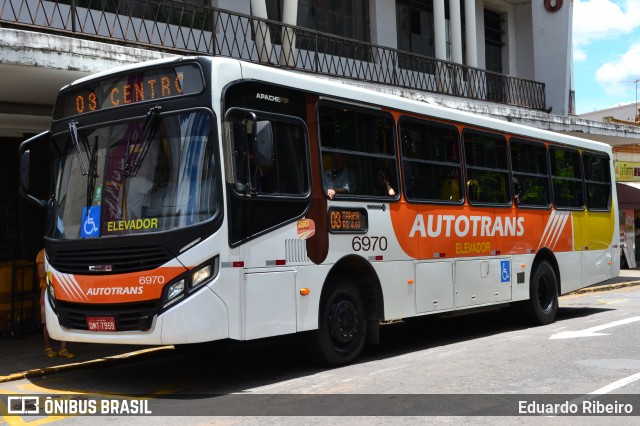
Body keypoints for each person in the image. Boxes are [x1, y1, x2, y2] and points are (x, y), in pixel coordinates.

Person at [37, 248, 74, 359]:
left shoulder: (64, 252)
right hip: (47, 289)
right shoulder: (42, 253)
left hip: (63, 289)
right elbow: (42, 274)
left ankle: (63, 349)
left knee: (65, 319)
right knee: (46, 321)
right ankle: (48, 348)